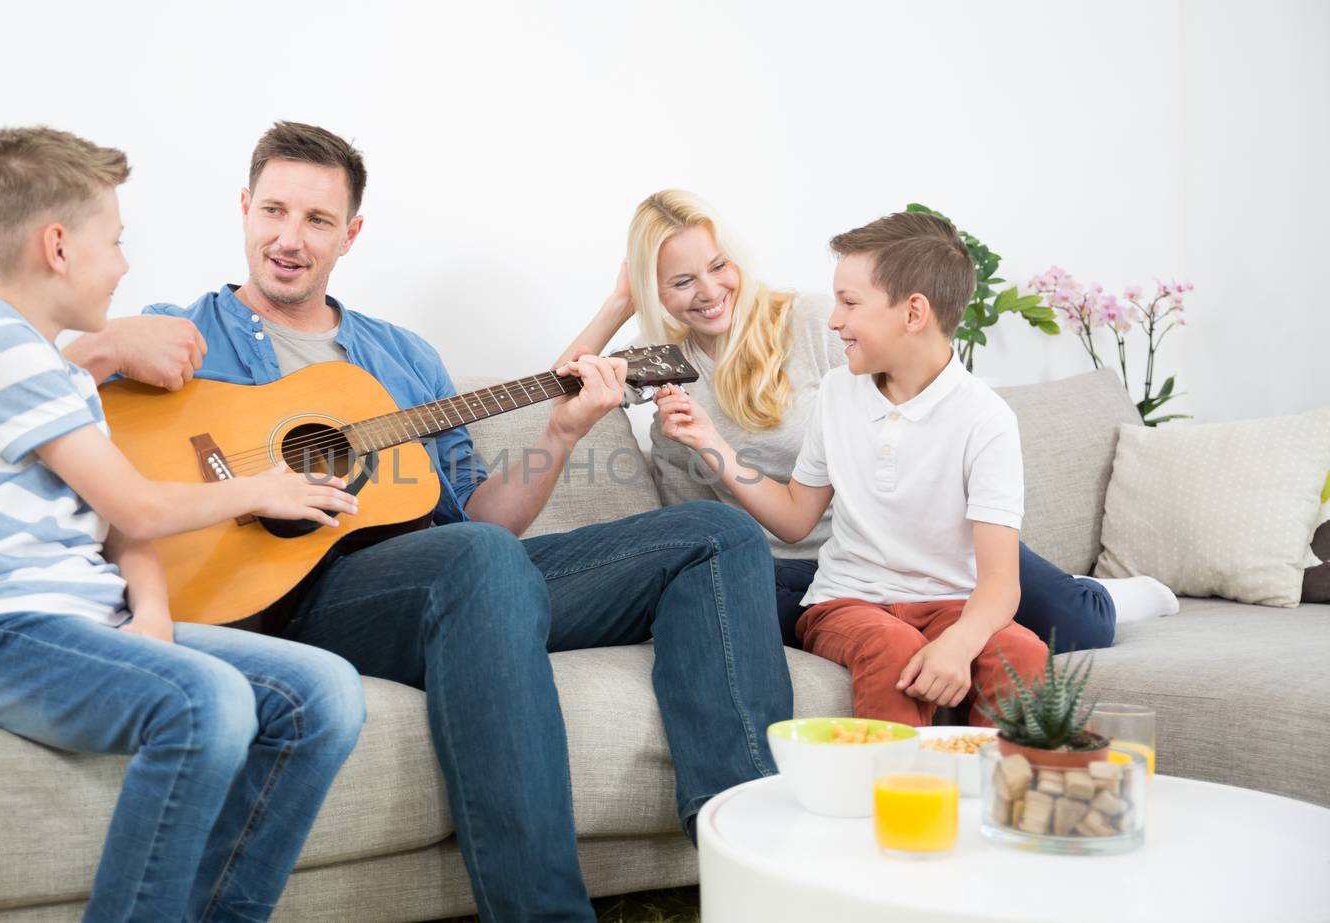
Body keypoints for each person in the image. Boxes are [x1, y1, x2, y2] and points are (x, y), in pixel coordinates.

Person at [62, 122, 794, 922]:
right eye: (273, 211)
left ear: (351, 233)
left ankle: (749, 866)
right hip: (296, 600)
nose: (289, 238)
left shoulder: (404, 359)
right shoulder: (180, 334)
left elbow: (485, 517)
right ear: (244, 209)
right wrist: (100, 344)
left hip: (456, 576)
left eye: (317, 220)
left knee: (711, 536)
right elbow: (36, 399)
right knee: (476, 559)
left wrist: (561, 431)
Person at [0, 126, 365, 923]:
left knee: (324, 692)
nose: (124, 263)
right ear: (58, 247)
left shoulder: (59, 373)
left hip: (84, 621)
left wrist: (150, 613)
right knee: (206, 703)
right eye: (114, 241)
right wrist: (263, 488)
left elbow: (120, 524)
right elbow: (141, 504)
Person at [562, 190, 1178, 653]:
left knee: (1075, 623)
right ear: (655, 291)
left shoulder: (812, 325)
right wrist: (622, 299)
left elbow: (919, 405)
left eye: (718, 266)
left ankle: (1111, 593)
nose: (709, 290)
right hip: (801, 567)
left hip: (909, 540)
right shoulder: (661, 362)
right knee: (730, 609)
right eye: (679, 281)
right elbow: (558, 388)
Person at [654, 210, 1048, 725]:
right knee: (891, 646)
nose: (834, 319)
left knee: (1023, 653)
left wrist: (959, 643)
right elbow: (796, 519)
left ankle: (999, 798)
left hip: (949, 600)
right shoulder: (839, 392)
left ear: (913, 314)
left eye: (849, 303)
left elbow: (1000, 584)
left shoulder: (986, 419)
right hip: (847, 600)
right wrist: (711, 444)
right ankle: (889, 800)